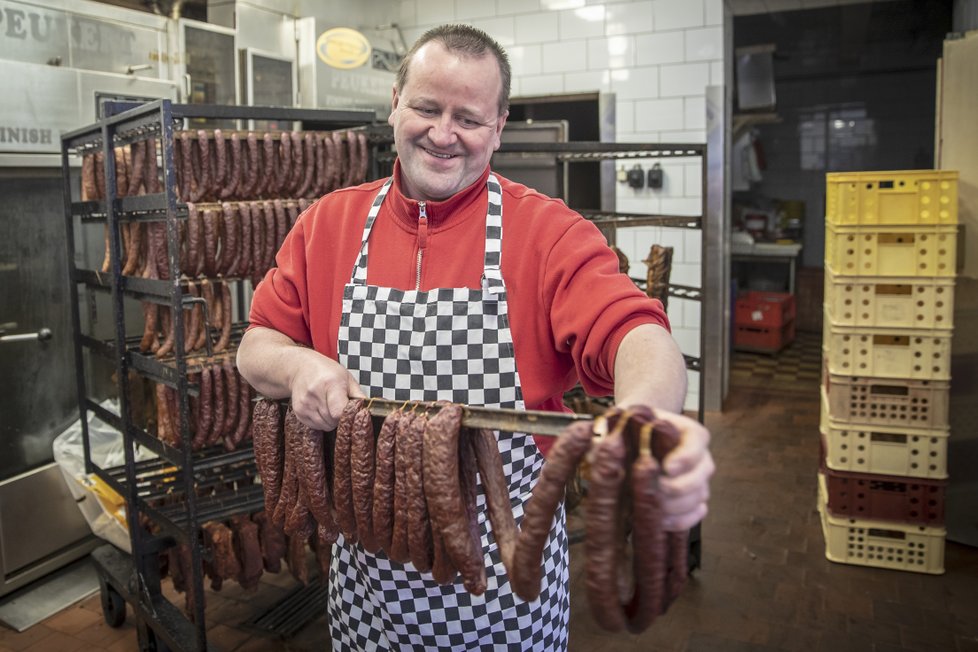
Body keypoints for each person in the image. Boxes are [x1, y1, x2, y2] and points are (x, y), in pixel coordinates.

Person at [237, 23, 714, 651]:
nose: (442, 134)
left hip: (505, 591)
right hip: (365, 585)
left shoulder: (548, 233)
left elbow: (637, 333)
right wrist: (297, 368)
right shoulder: (329, 223)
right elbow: (257, 345)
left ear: (499, 126)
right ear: (395, 102)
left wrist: (646, 422)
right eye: (427, 108)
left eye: (468, 117)